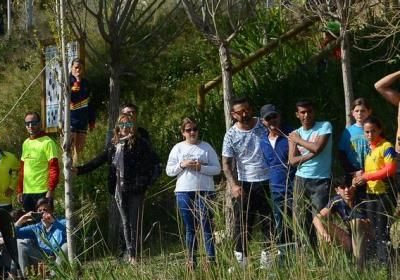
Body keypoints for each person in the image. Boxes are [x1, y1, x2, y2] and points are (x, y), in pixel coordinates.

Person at [76, 113, 160, 263]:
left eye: (128, 125)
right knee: (125, 221)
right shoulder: (114, 145)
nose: (125, 128)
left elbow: (152, 163)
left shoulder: (140, 143)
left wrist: (145, 182)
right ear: (117, 127)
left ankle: (133, 255)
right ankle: (128, 252)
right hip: (119, 188)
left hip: (135, 188)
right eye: (122, 125)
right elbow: (99, 160)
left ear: (132, 127)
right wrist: (80, 169)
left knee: (134, 221)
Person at [221, 97, 272, 268]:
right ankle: (242, 265)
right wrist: (234, 185)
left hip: (267, 180)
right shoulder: (231, 135)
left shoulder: (263, 125)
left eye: (248, 109)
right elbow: (226, 163)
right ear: (233, 115)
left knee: (269, 222)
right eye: (241, 111)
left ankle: (268, 264)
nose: (246, 113)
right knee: (242, 225)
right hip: (245, 183)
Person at [165, 117, 221, 268]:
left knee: (207, 225)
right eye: (188, 130)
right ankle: (191, 260)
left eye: (195, 129)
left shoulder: (206, 147)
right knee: (190, 228)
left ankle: (211, 260)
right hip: (184, 191)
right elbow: (169, 171)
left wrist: (201, 168)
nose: (192, 132)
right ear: (183, 132)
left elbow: (217, 169)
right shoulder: (178, 148)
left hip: (205, 191)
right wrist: (182, 164)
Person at [351, 116, 396, 267]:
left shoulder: (386, 146)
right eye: (367, 132)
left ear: (380, 130)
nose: (370, 135)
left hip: (384, 194)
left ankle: (387, 263)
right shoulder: (370, 150)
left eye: (373, 131)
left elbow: (390, 169)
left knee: (382, 229)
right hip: (371, 194)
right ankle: (378, 260)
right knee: (373, 229)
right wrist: (360, 176)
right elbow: (372, 170)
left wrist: (367, 176)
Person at [288, 100, 333, 236]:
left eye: (309, 111)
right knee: (301, 220)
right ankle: (306, 253)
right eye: (303, 112)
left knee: (320, 221)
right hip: (300, 179)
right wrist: (312, 154)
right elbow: (292, 160)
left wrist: (299, 141)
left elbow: (317, 147)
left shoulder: (324, 126)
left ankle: (325, 253)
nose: (306, 115)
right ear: (297, 114)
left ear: (314, 112)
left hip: (320, 180)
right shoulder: (295, 133)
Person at [259, 104, 294, 251]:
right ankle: (284, 254)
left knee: (298, 220)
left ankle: (304, 253)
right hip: (276, 187)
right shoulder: (263, 141)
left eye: (274, 116)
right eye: (268, 118)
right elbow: (268, 162)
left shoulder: (291, 135)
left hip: (293, 185)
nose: (272, 120)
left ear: (279, 116)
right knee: (281, 222)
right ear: (263, 121)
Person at [312, 177, 367, 263]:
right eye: (342, 187)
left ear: (354, 187)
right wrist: (324, 234)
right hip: (349, 239)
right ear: (337, 190)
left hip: (366, 240)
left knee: (356, 223)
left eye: (349, 186)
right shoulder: (337, 201)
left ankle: (359, 265)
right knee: (322, 226)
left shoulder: (362, 200)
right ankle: (327, 265)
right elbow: (316, 218)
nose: (346, 190)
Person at [17, 111, 60, 213]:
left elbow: (54, 168)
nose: (31, 126)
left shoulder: (48, 142)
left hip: (42, 192)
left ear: (40, 123)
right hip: (27, 192)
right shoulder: (26, 143)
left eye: (34, 123)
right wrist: (20, 190)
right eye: (27, 123)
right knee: (30, 224)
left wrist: (50, 190)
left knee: (46, 223)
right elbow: (23, 170)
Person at [14, 197, 68, 272]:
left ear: (52, 211)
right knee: (20, 244)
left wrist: (54, 222)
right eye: (40, 211)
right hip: (42, 259)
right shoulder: (36, 227)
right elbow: (14, 233)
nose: (42, 213)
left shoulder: (61, 222)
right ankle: (24, 279)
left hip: (58, 258)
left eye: (45, 210)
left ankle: (54, 277)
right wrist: (22, 219)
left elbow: (69, 230)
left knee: (66, 246)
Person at [68, 60, 96, 162]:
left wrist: (92, 120)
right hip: (70, 119)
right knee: (69, 149)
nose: (78, 70)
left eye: (80, 68)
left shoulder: (86, 83)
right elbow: (62, 99)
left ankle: (76, 172)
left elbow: (90, 103)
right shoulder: (67, 82)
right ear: (71, 68)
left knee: (79, 151)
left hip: (83, 119)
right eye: (76, 67)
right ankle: (67, 174)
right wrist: (71, 90)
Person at [338, 98, 372, 176]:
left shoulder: (374, 130)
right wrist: (352, 172)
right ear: (352, 113)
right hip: (353, 172)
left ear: (369, 112)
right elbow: (342, 154)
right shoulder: (347, 132)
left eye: (363, 110)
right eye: (357, 111)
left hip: (372, 171)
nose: (359, 113)